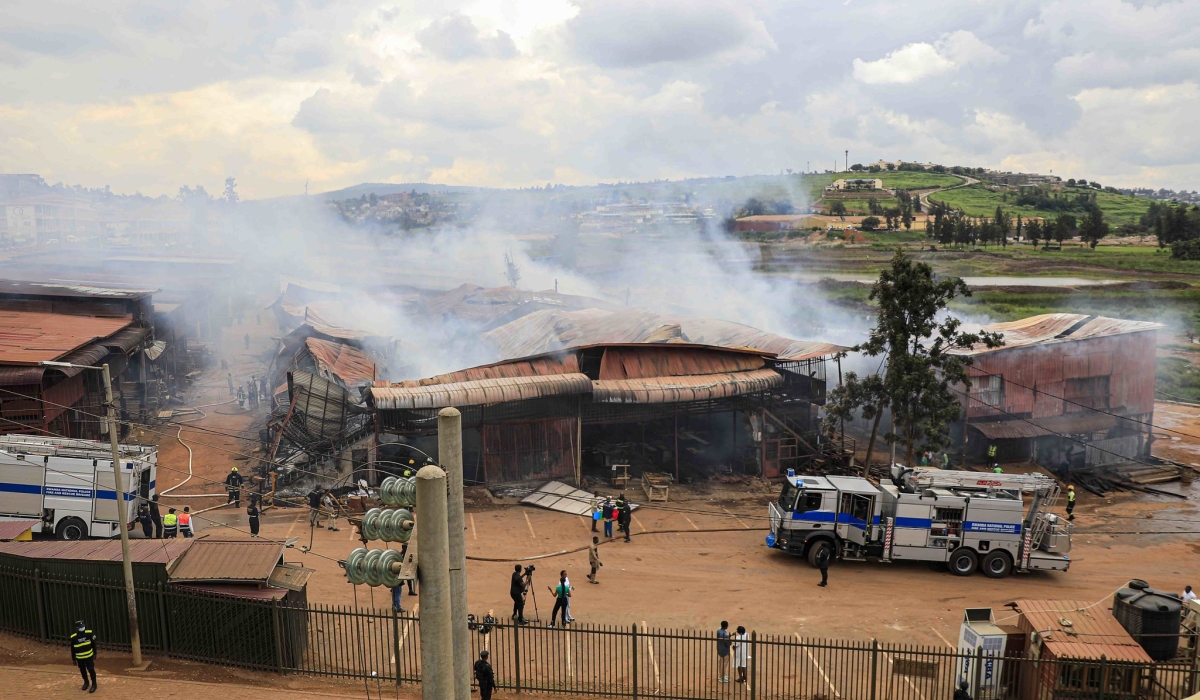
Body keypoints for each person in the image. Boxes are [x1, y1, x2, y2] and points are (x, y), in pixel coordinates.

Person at [70, 620, 98, 693]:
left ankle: (94, 684)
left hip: (89, 656)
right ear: (77, 628)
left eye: (83, 626)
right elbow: (72, 649)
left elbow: (94, 644)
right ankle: (86, 682)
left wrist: (95, 653)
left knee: (91, 669)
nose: (82, 628)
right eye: (81, 627)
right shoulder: (73, 637)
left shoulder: (89, 633)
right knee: (82, 670)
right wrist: (73, 659)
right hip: (80, 658)